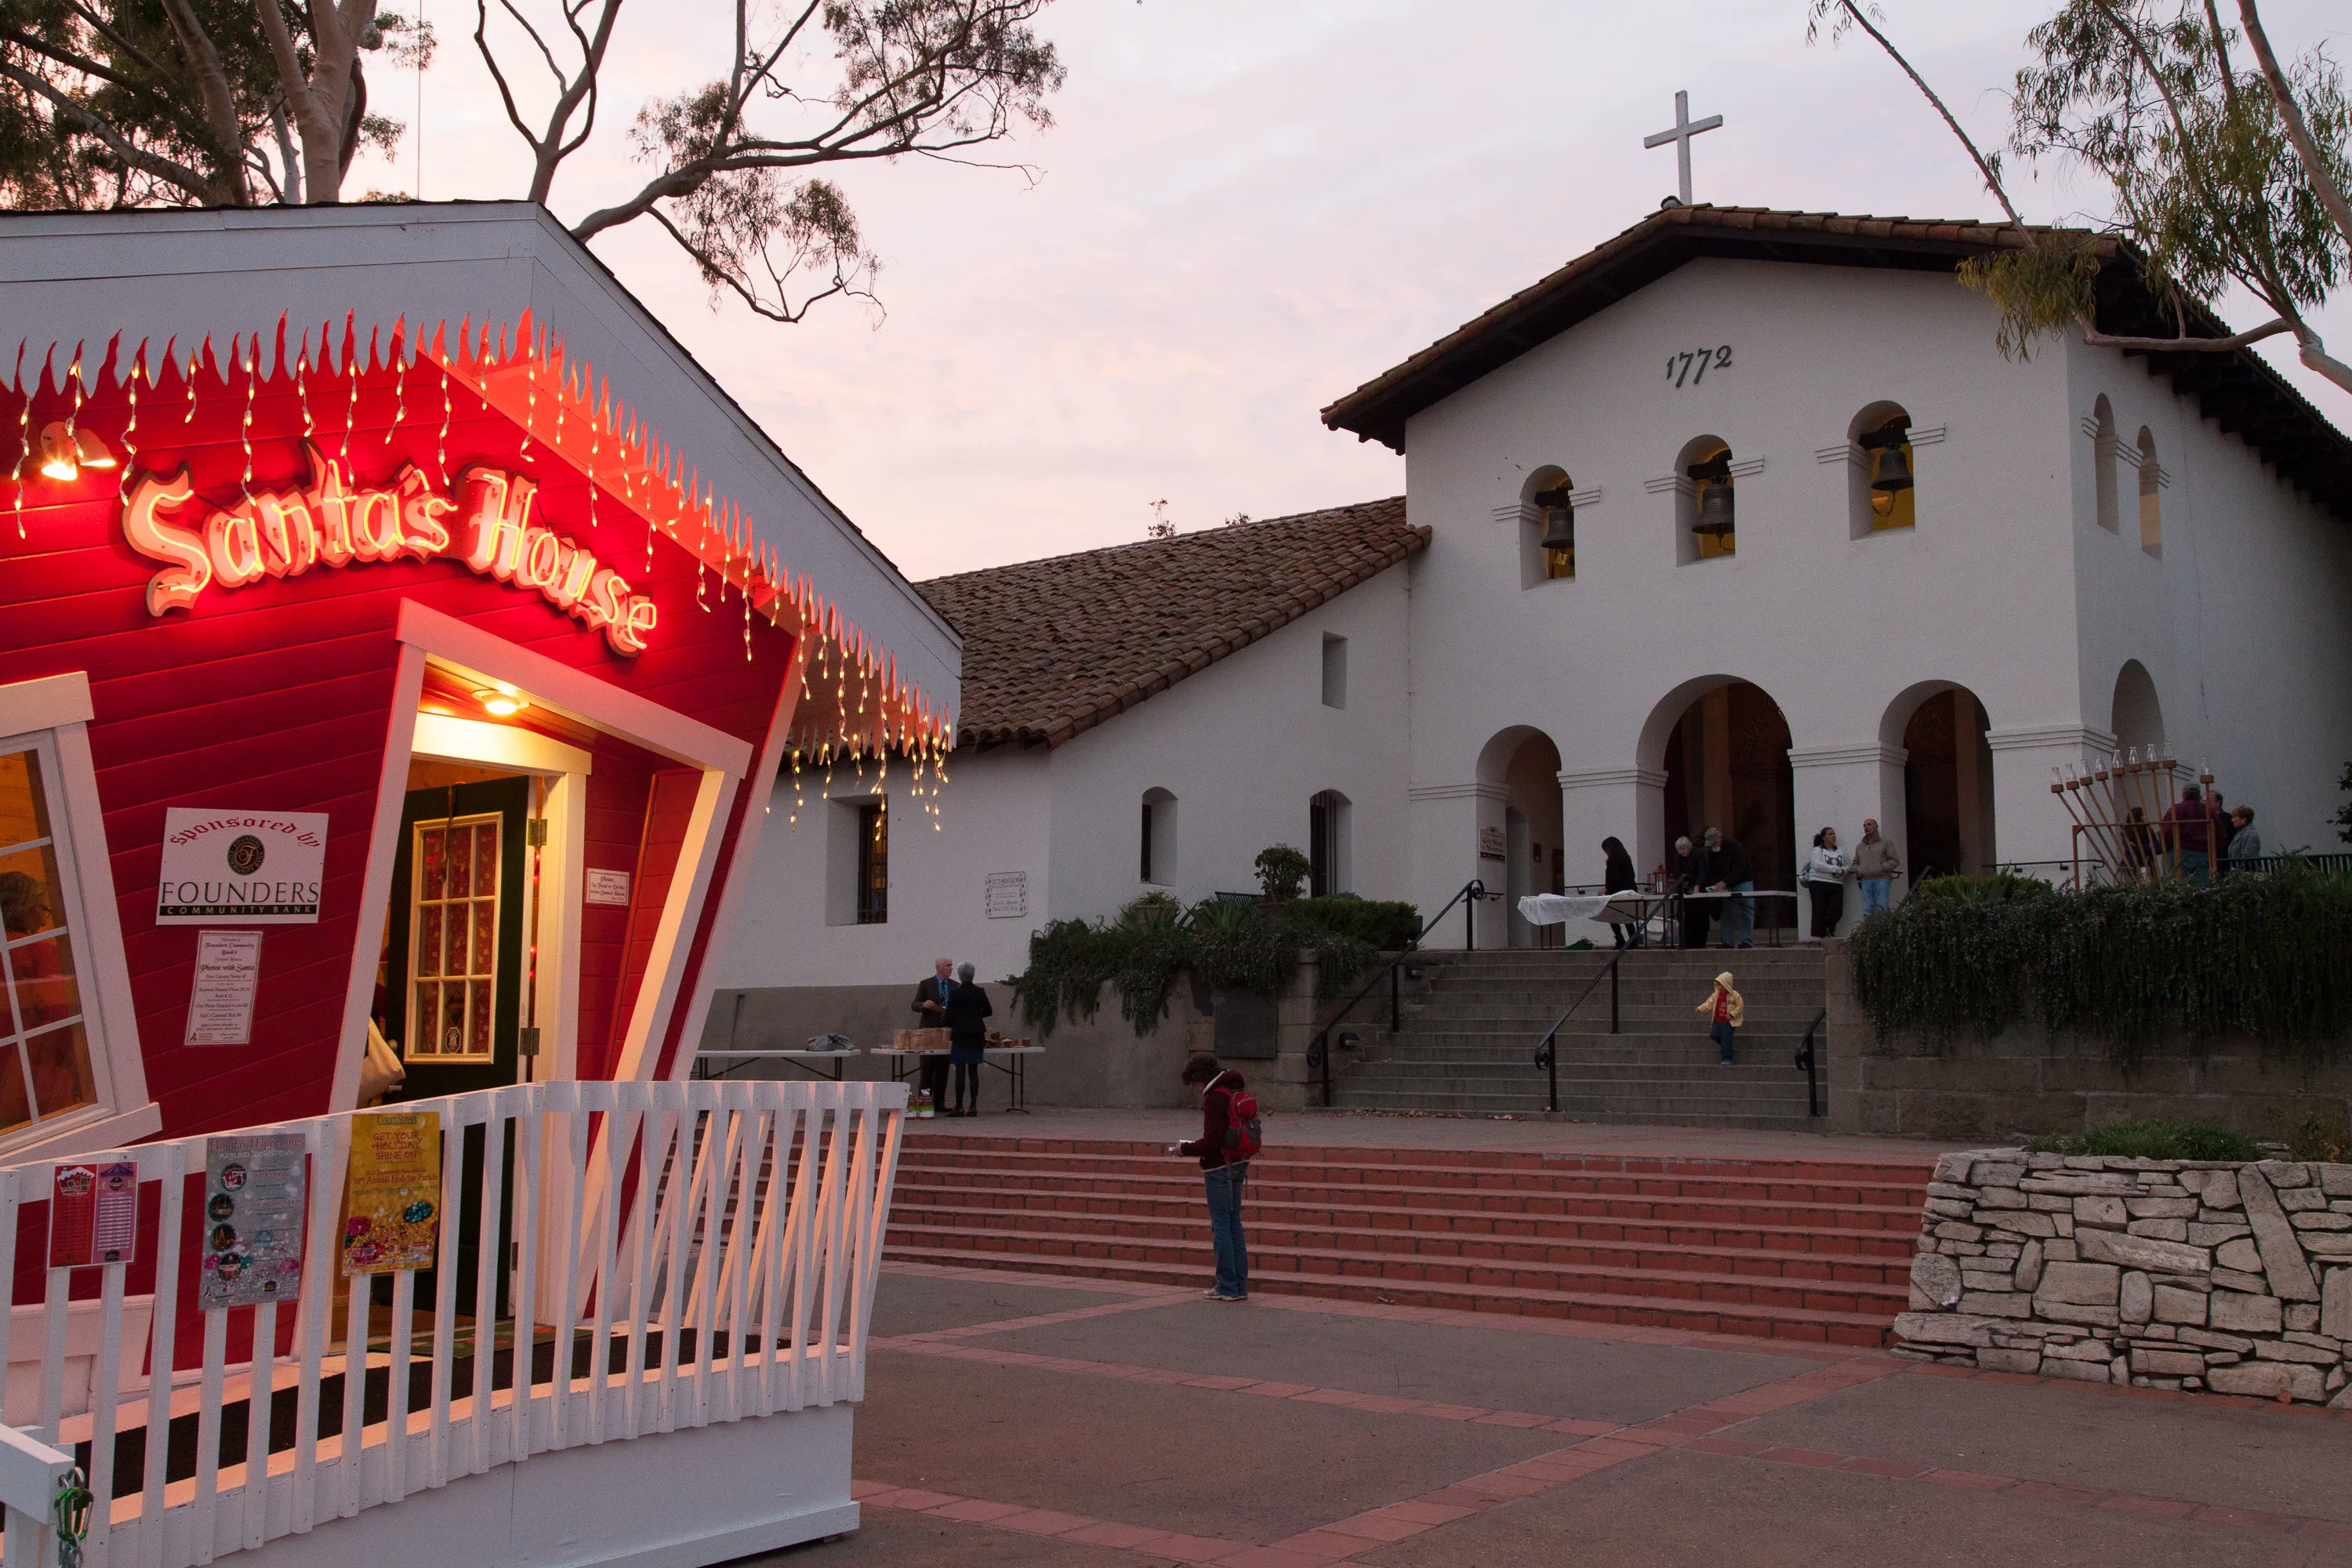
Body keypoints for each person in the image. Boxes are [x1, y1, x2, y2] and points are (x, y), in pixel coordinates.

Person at [1173, 1054, 1253, 1301]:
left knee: (1221, 1226)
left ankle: (1227, 1285)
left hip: (1218, 1167)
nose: (1196, 1089)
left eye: (1195, 1084)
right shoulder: (1232, 1088)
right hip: (1239, 1161)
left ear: (1201, 1078)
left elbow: (1212, 1141)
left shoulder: (1214, 1098)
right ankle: (1239, 1286)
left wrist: (1184, 1149)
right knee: (1233, 1225)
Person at [943, 961, 993, 1116]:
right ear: (973, 975)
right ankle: (973, 1107)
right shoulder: (979, 991)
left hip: (960, 1035)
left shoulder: (955, 993)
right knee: (973, 1070)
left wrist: (955, 1020)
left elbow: (949, 1016)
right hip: (976, 1034)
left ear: (960, 976)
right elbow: (989, 1011)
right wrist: (976, 1016)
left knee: (960, 1070)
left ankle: (958, 1106)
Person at [909, 958, 956, 1115]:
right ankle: (924, 1101)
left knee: (943, 1069)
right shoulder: (926, 984)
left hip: (946, 1032)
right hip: (929, 1032)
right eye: (947, 966)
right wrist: (924, 1005)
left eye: (951, 965)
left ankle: (939, 1102)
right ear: (938, 968)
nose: (951, 968)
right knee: (927, 1069)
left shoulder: (955, 986)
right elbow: (914, 1004)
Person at [1704, 827, 1754, 949]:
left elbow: (1741, 868)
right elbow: (1713, 869)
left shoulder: (1734, 846)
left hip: (1742, 881)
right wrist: (1715, 883)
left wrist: (1725, 882)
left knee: (1747, 910)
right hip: (1726, 884)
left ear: (1719, 838)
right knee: (1726, 911)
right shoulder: (1714, 853)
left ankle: (1746, 940)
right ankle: (1727, 941)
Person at [1801, 827, 1850, 941]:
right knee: (1820, 909)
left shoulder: (1841, 851)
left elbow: (1848, 865)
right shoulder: (1817, 850)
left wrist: (1843, 870)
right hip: (1819, 882)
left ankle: (1829, 928)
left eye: (1834, 834)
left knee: (1837, 910)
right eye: (1830, 834)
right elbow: (1817, 865)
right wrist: (1835, 869)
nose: (1833, 836)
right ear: (1824, 837)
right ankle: (1822, 934)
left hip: (1836, 883)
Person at [2162, 785, 2216, 886]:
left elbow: (2167, 832)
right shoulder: (2208, 811)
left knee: (2176, 886)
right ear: (2198, 795)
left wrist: (2166, 846)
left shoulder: (2176, 810)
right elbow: (2219, 833)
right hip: (2204, 852)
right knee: (2203, 889)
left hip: (2179, 852)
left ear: (2183, 794)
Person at [1853, 819, 1901, 919]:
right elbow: (1855, 864)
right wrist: (1860, 870)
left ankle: (1883, 933)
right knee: (1867, 910)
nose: (1866, 827)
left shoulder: (1886, 843)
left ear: (1876, 827)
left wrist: (1881, 868)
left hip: (1882, 879)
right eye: (1864, 825)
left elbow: (1895, 860)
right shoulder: (1860, 846)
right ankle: (1867, 933)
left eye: (1869, 824)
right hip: (1866, 881)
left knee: (1882, 909)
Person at [1670, 835, 1711, 949]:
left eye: (1684, 849)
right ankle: (1686, 943)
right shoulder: (1678, 858)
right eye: (1680, 850)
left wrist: (1697, 885)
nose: (1683, 852)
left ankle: (1699, 943)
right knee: (1685, 918)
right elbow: (1677, 873)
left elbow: (1702, 871)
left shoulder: (1698, 855)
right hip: (1685, 890)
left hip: (1699, 890)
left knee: (1699, 918)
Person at [1694, 971, 1743, 1065]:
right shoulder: (1716, 995)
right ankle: (1727, 1046)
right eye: (1719, 985)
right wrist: (1700, 1008)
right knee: (1714, 1035)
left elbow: (1740, 1007)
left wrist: (1732, 1015)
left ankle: (1727, 1058)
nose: (1720, 987)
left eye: (1722, 985)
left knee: (1726, 1038)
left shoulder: (1735, 995)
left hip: (1728, 1022)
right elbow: (1708, 1004)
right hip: (1718, 1021)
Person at [1601, 837, 1642, 949]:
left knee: (1612, 917)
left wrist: (1606, 889)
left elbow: (1612, 879)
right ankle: (1633, 940)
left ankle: (1620, 940)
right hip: (1629, 891)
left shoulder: (1612, 862)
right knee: (1626, 918)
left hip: (1616, 893)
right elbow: (1630, 876)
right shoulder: (1626, 859)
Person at [2223, 805, 2262, 872]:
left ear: (2244, 819)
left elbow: (2248, 856)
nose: (2232, 820)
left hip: (2245, 874)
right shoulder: (2240, 832)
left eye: (2235, 817)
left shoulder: (2250, 834)